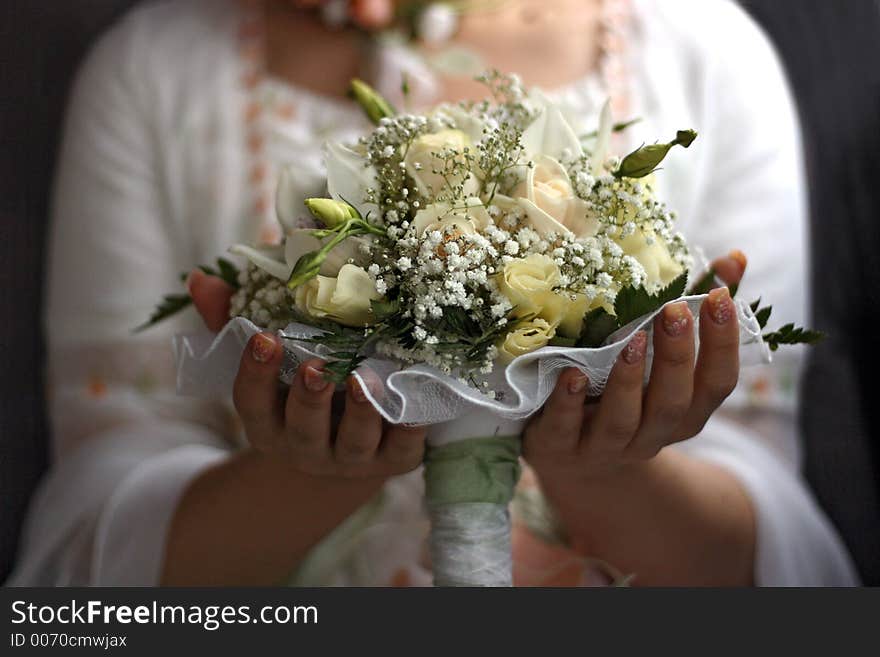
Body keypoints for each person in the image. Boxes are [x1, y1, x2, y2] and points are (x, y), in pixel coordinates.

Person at [8, 0, 858, 586]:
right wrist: (318, 467)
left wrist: (603, 466)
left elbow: (768, 561)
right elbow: (88, 599)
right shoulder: (156, 72)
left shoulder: (710, 59)